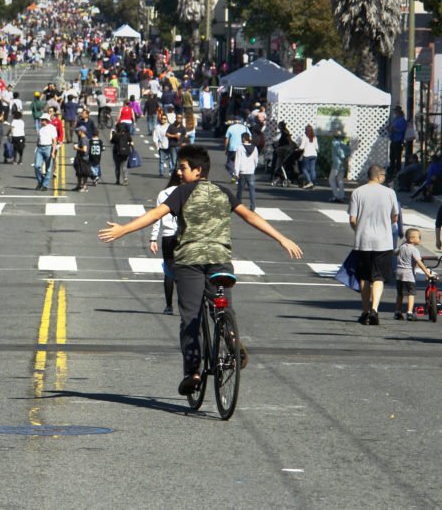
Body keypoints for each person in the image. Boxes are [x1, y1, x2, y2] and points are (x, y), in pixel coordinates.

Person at [98, 145, 302, 395]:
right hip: (220, 260)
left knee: (190, 318)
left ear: (197, 170)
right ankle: (232, 339)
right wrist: (282, 238)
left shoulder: (182, 192)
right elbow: (250, 216)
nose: (179, 172)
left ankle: (193, 372)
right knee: (223, 306)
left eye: (183, 167)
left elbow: (154, 215)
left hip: (190, 262)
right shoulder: (223, 192)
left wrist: (122, 230)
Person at [349, 164, 399, 325]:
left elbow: (352, 219)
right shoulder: (390, 193)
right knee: (378, 277)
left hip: (363, 240)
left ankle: (364, 311)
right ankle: (375, 309)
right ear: (379, 176)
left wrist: (358, 229)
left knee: (364, 277)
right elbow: (395, 216)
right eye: (383, 175)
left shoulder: (357, 192)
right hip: (383, 241)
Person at [149, 171, 181, 315]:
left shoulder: (163, 194)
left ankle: (169, 306)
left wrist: (153, 238)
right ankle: (185, 304)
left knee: (169, 272)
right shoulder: (187, 192)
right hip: (184, 235)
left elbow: (156, 217)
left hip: (167, 236)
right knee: (185, 272)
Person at [394, 228, 435, 321]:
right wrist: (428, 273)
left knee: (400, 294)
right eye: (419, 237)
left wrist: (402, 244)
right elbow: (419, 262)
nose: (420, 239)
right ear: (412, 239)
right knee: (411, 294)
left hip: (399, 273)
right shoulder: (414, 250)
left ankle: (398, 312)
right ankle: (409, 312)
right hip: (408, 275)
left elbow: (395, 252)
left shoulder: (402, 247)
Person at [233, 131, 259, 211]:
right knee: (252, 190)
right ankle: (253, 206)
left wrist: (236, 172)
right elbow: (256, 160)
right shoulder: (255, 148)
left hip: (242, 171)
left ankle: (238, 205)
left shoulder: (240, 148)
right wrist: (253, 167)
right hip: (251, 171)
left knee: (240, 189)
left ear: (243, 139)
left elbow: (237, 160)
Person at [224, 116, 249, 181]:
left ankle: (234, 175)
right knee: (240, 163)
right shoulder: (245, 128)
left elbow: (227, 139)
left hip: (233, 148)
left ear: (234, 121)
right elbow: (250, 137)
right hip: (243, 148)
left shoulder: (230, 128)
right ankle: (238, 177)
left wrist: (226, 148)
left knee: (229, 164)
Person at [329, 130, 351, 203]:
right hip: (342, 164)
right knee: (340, 180)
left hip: (337, 164)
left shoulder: (334, 142)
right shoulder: (342, 142)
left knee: (331, 179)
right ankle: (341, 196)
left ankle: (336, 196)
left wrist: (342, 156)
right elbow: (349, 150)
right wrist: (345, 157)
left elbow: (339, 151)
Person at [388, 106, 407, 180]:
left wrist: (394, 129)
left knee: (397, 158)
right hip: (393, 139)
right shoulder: (395, 119)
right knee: (392, 158)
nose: (394, 113)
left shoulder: (402, 120)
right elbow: (391, 127)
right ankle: (392, 172)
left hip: (398, 140)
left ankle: (397, 172)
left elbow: (402, 130)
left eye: (395, 111)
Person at [296, 124, 319, 189]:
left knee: (304, 169)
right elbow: (317, 147)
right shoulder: (314, 137)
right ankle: (313, 183)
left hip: (307, 154)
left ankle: (309, 182)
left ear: (306, 130)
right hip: (314, 154)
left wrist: (297, 149)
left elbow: (302, 147)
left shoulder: (305, 136)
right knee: (313, 170)